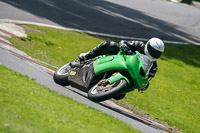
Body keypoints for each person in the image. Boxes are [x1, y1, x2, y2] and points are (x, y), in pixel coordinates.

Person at [78, 37, 165, 99]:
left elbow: (147, 78)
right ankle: (87, 55)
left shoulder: (153, 67)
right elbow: (123, 42)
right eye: (153, 51)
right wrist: (124, 46)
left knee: (120, 95)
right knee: (110, 45)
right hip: (119, 60)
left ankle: (107, 87)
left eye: (157, 53)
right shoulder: (139, 45)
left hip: (129, 75)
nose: (154, 54)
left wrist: (144, 85)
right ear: (148, 46)